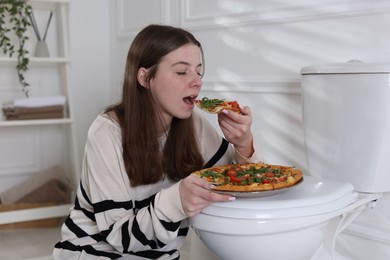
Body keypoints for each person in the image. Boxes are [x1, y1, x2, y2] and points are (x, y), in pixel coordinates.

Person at [53, 24, 261, 259]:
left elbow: (241, 190)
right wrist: (177, 199)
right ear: (145, 77)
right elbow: (119, 238)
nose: (197, 82)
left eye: (198, 71)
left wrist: (244, 144)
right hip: (92, 252)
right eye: (182, 72)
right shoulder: (106, 133)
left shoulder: (193, 124)